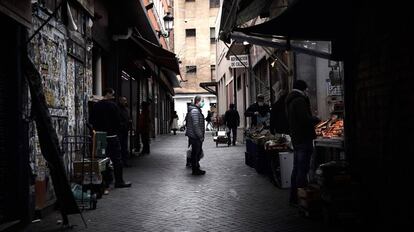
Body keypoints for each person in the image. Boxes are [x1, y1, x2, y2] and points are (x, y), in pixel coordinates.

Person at [285, 80, 320, 206]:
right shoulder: (299, 100)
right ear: (303, 89)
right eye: (306, 90)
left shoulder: (290, 100)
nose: (307, 92)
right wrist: (316, 119)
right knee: (302, 168)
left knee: (297, 168)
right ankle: (301, 197)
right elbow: (304, 119)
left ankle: (294, 197)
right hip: (303, 138)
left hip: (296, 138)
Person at [90, 88, 131, 188]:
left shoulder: (96, 105)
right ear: (107, 94)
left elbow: (91, 120)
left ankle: (103, 182)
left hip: (100, 137)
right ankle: (119, 181)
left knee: (101, 159)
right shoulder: (113, 106)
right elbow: (118, 121)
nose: (113, 97)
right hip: (112, 136)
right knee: (117, 159)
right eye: (112, 95)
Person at [185, 96, 206, 175]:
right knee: (195, 153)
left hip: (195, 136)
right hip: (195, 136)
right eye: (202, 101)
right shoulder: (195, 111)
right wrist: (200, 136)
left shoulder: (196, 110)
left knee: (197, 152)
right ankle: (195, 169)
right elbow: (196, 125)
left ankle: (196, 168)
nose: (203, 103)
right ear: (198, 101)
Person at [118, 96, 131, 167]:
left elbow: (128, 118)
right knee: (120, 147)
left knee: (125, 147)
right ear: (120, 101)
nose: (125, 102)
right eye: (123, 100)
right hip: (120, 131)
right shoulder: (118, 109)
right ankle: (120, 162)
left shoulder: (126, 109)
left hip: (125, 130)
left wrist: (129, 123)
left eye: (125, 101)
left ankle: (125, 161)